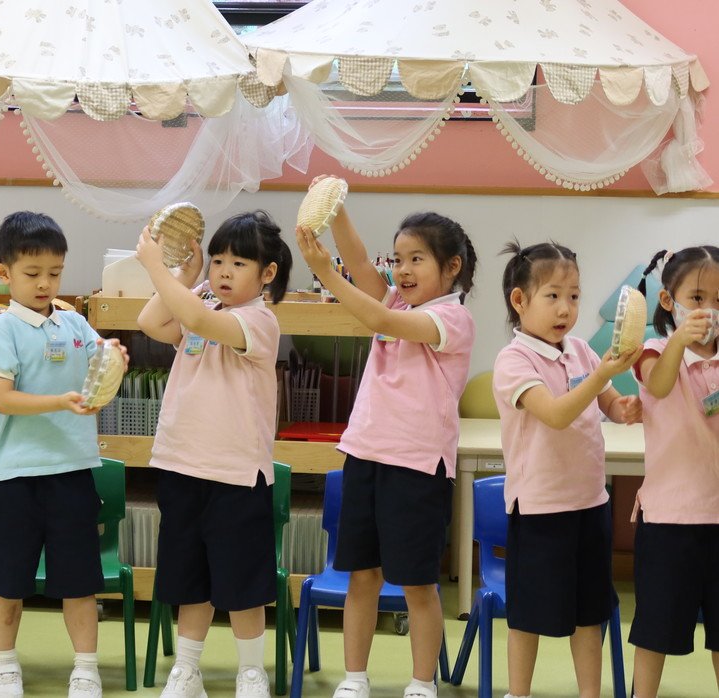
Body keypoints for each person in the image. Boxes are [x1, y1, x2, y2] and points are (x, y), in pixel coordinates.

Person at [296, 204, 476, 698]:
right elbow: (359, 261)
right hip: (366, 456)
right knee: (362, 575)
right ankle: (355, 677)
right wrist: (336, 211)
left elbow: (376, 316)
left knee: (417, 584)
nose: (403, 270)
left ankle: (422, 682)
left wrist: (324, 272)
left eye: (417, 259)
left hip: (417, 468)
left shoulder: (452, 318)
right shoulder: (398, 300)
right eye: (398, 260)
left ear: (452, 266)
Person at [137, 209, 292, 698]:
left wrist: (155, 266)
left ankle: (251, 672)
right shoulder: (201, 299)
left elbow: (197, 319)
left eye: (239, 264)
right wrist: (184, 276)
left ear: (267, 274)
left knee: (242, 582)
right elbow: (150, 321)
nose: (223, 271)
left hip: (236, 475)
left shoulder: (259, 320)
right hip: (182, 465)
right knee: (190, 577)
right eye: (218, 260)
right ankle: (187, 671)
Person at [0, 211, 127, 698]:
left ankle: (86, 668)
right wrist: (60, 402)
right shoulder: (0, 330)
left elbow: (101, 366)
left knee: (79, 582)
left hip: (73, 472)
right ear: (4, 273)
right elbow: (2, 399)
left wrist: (116, 360)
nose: (45, 283)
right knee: (8, 582)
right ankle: (4, 666)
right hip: (16, 476)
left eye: (55, 273)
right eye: (33, 273)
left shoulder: (75, 322)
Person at [493, 241, 642, 698]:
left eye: (574, 296)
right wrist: (601, 378)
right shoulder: (513, 360)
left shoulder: (579, 350)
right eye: (553, 295)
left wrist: (624, 407)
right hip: (540, 509)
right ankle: (518, 693)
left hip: (590, 504)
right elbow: (556, 415)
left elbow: (608, 404)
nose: (566, 308)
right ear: (520, 300)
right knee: (528, 617)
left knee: (589, 614)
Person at [629, 246, 719, 698]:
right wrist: (680, 340)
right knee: (656, 630)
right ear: (669, 301)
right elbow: (660, 385)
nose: (710, 310)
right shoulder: (654, 351)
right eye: (698, 298)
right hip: (669, 520)